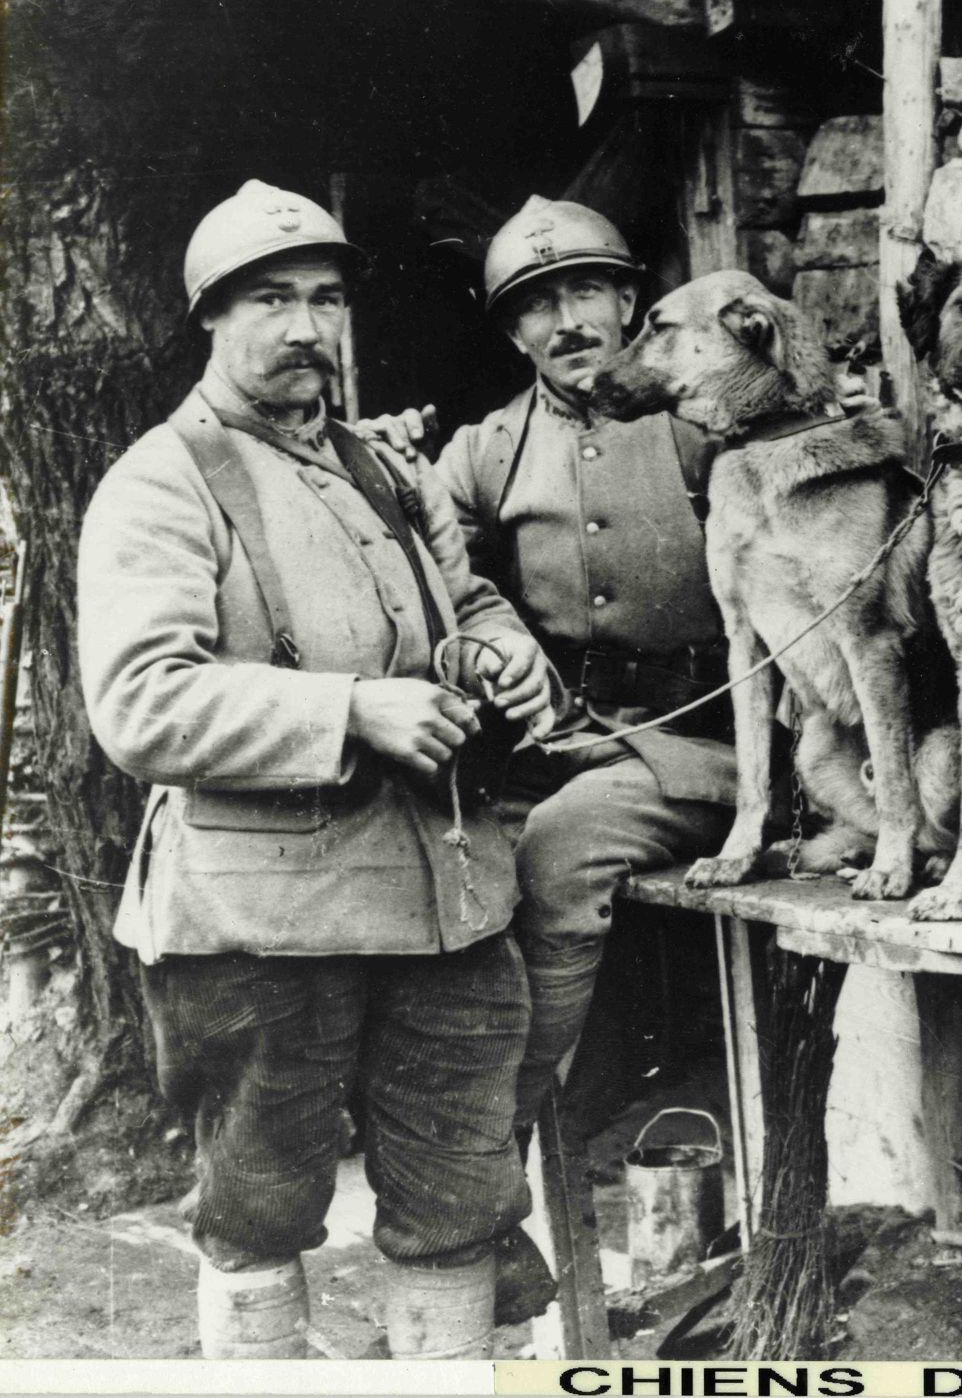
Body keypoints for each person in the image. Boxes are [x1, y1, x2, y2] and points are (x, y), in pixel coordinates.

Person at [78, 179, 557, 1359]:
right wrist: (353, 710)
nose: (305, 326)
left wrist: (502, 650)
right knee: (256, 1213)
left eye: (325, 299)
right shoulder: (162, 479)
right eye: (271, 300)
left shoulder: (384, 467)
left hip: (441, 904)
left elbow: (467, 594)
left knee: (459, 1209)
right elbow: (140, 701)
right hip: (258, 921)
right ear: (210, 319)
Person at [365, 196, 734, 1146]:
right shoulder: (487, 450)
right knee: (438, 851)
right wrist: (379, 466)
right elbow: (410, 569)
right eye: (537, 305)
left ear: (627, 301)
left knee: (562, 847)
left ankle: (502, 1140)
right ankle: (472, 1134)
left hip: (712, 743)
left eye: (586, 292)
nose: (566, 321)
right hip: (565, 739)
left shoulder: (706, 417)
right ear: (514, 332)